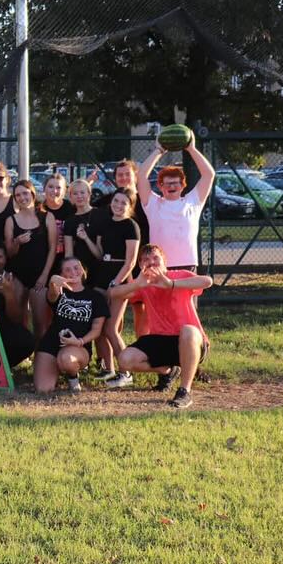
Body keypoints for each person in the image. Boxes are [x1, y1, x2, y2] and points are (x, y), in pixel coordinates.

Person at [110, 243, 213, 408]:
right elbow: (113, 293)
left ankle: (184, 391)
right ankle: (168, 370)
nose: (151, 262)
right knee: (125, 360)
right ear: (140, 265)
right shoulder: (143, 284)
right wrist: (137, 284)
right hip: (160, 339)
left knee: (188, 330)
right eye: (145, 259)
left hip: (191, 340)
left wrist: (171, 284)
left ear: (164, 260)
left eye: (155, 258)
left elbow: (207, 281)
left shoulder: (179, 275)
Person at [75, 187, 140, 383]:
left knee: (111, 328)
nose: (118, 205)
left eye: (123, 203)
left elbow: (131, 262)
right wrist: (85, 238)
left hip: (119, 279)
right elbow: (99, 254)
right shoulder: (105, 223)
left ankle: (126, 372)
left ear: (130, 206)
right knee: (99, 327)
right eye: (116, 201)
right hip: (101, 277)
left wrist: (116, 282)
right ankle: (109, 369)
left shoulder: (131, 226)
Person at [137, 134, 214, 270]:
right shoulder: (152, 204)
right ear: (160, 186)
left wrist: (191, 149)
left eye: (175, 183)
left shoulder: (193, 201)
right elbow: (141, 176)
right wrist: (159, 151)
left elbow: (209, 174)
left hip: (188, 264)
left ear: (183, 185)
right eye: (167, 183)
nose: (171, 186)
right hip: (159, 266)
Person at [33, 257, 108, 393]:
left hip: (77, 346)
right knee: (43, 389)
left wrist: (79, 341)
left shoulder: (96, 297)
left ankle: (73, 377)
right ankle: (55, 368)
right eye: (67, 270)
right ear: (62, 275)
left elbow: (96, 330)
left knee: (66, 359)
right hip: (51, 343)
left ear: (83, 270)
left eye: (76, 267)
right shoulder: (59, 291)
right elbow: (52, 296)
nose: (73, 272)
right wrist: (53, 282)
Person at [4, 179, 58, 339]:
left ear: (33, 194)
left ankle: (40, 352)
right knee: (18, 319)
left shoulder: (47, 217)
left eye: (25, 193)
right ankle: (23, 350)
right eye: (18, 195)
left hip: (39, 275)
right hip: (18, 275)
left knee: (40, 322)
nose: (22, 198)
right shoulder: (11, 220)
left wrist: (44, 275)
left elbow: (53, 249)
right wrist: (17, 242)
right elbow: (9, 253)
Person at [0, 241, 36, 371]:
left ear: (5, 258)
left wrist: (9, 294)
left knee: (26, 341)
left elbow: (16, 318)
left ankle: (2, 366)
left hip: (3, 329)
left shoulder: (14, 281)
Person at [62, 178, 101, 276]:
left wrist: (86, 238)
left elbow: (100, 254)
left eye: (82, 192)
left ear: (89, 194)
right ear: (71, 197)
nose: (79, 196)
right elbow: (69, 254)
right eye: (75, 193)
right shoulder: (69, 221)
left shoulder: (100, 215)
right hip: (79, 270)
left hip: (100, 267)